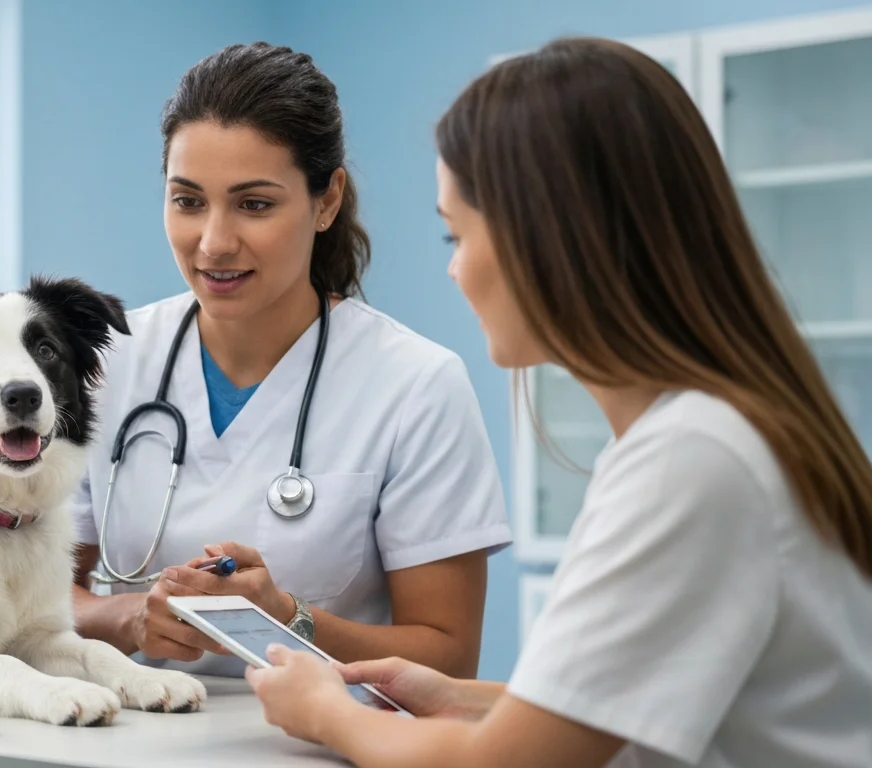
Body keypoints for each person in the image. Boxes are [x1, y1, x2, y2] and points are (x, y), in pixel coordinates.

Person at [247, 36, 872, 767]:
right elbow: (629, 708)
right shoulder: (714, 432)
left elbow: (505, 766)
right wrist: (467, 698)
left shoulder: (693, 460)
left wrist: (327, 713)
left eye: (458, 234)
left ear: (548, 237)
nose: (453, 270)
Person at [68, 41, 513, 680]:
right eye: (188, 201)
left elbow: (448, 656)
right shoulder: (106, 364)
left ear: (326, 200)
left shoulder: (415, 385)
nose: (214, 243)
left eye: (254, 204)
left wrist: (286, 616)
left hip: (322, 746)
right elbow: (31, 599)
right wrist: (128, 617)